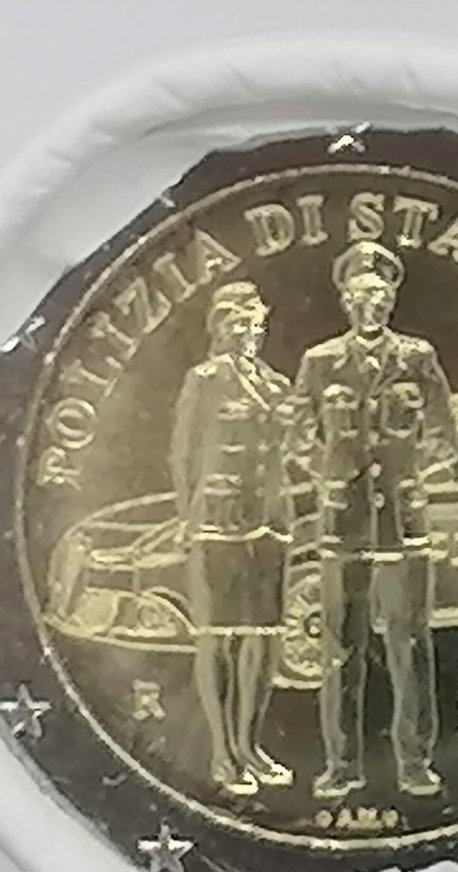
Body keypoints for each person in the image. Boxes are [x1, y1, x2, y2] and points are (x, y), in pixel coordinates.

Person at [283, 241, 458, 799]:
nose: (372, 305)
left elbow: (445, 436)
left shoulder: (418, 358)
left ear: (392, 300)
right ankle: (342, 765)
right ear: (345, 300)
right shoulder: (319, 363)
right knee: (340, 650)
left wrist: (413, 475)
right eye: (362, 296)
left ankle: (415, 764)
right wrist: (330, 477)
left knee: (410, 647)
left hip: (404, 526)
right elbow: (297, 437)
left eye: (381, 296)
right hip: (345, 526)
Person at [170, 281, 294, 796]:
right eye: (239, 322)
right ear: (220, 327)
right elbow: (184, 454)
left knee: (262, 638)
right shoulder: (203, 381)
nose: (250, 331)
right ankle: (222, 754)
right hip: (217, 520)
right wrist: (187, 516)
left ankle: (250, 746)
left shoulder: (278, 385)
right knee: (218, 634)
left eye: (255, 322)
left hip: (270, 521)